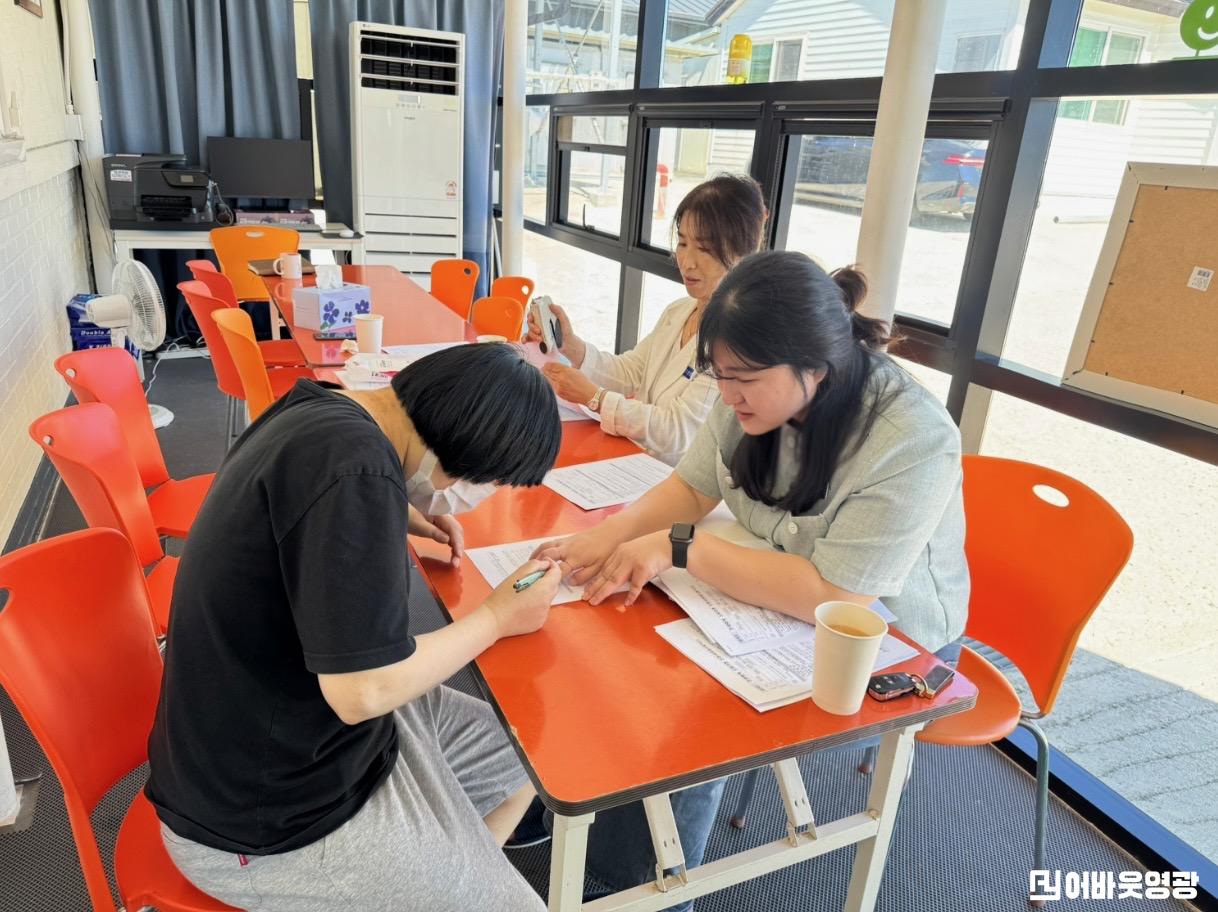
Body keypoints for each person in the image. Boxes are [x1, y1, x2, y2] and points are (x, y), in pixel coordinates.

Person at [534, 250, 969, 908]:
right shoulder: (748, 383)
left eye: (743, 380)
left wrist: (681, 548)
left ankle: (649, 889)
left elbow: (837, 597)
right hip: (777, 586)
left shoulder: (911, 436)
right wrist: (605, 536)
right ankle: (609, 856)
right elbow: (692, 487)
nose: (727, 395)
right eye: (719, 375)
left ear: (816, 366)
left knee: (697, 707)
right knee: (633, 644)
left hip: (889, 640)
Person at [147, 344, 565, 912]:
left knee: (526, 751)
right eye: (491, 481)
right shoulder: (356, 471)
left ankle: (450, 880)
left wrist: (396, 509)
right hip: (267, 814)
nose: (481, 495)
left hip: (302, 735)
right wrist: (497, 617)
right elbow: (362, 692)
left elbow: (308, 500)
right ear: (462, 453)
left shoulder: (327, 412)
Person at [526, 173, 767, 466]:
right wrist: (572, 346)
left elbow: (678, 432)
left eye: (704, 249)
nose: (687, 262)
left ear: (743, 252)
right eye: (682, 243)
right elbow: (631, 372)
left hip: (676, 477)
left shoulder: (735, 342)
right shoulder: (679, 311)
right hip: (635, 460)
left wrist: (595, 398)